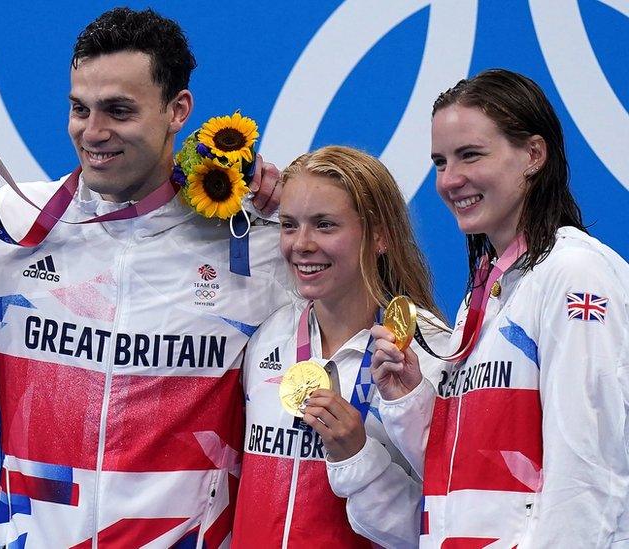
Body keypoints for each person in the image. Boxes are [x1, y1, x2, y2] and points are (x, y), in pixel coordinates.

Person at [0, 7, 290, 547]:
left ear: (178, 109)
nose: (92, 132)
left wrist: (294, 209)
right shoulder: (9, 228)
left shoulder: (250, 244)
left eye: (118, 111)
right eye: (80, 109)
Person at [371, 68, 629, 546]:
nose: (450, 180)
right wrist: (410, 398)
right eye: (440, 161)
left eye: (470, 155)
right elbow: (465, 472)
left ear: (534, 154)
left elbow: (589, 475)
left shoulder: (574, 274)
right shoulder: (486, 290)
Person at [232, 145, 448, 548]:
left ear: (380, 235)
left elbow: (442, 525)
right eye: (289, 225)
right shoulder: (268, 337)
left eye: (325, 225)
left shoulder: (427, 352)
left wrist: (358, 455)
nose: (302, 244)